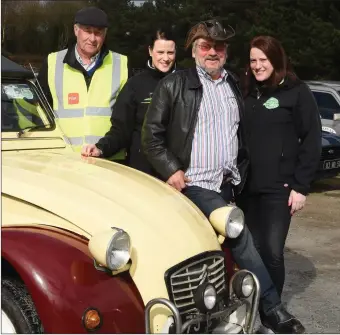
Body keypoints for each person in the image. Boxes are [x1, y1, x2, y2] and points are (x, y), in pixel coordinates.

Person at [142, 19, 305, 334]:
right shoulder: (174, 84)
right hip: (193, 186)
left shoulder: (233, 85)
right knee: (240, 235)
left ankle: (217, 312)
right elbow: (151, 137)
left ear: (227, 51)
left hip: (227, 186)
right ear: (194, 50)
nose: (213, 51)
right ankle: (272, 309)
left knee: (223, 252)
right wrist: (172, 170)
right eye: (206, 45)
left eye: (219, 46)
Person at [239, 36, 321, 297]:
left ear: (276, 60)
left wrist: (301, 186)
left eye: (263, 60)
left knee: (272, 252)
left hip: (280, 189)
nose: (258, 66)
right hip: (248, 188)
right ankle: (255, 304)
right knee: (250, 251)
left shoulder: (296, 92)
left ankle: (273, 309)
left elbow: (312, 139)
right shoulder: (247, 91)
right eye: (253, 60)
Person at [81, 28, 176, 174]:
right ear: (150, 51)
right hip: (143, 171)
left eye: (170, 53)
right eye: (160, 52)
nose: (166, 58)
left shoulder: (186, 82)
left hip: (179, 172)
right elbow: (121, 130)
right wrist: (101, 148)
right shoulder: (135, 85)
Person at [38, 6, 128, 158]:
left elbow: (126, 121)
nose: (92, 39)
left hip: (108, 161)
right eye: (87, 31)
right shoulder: (52, 63)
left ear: (105, 34)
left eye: (98, 33)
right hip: (63, 160)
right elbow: (37, 114)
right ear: (76, 30)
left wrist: (103, 148)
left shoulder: (121, 64)